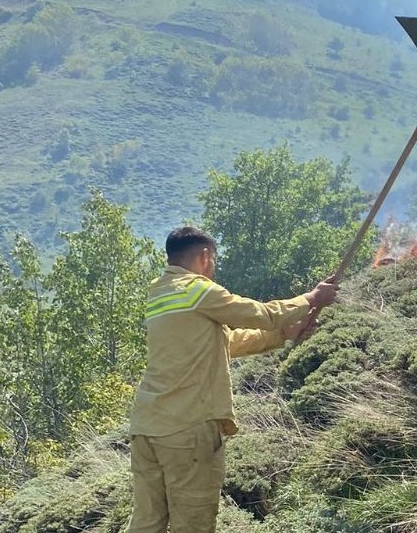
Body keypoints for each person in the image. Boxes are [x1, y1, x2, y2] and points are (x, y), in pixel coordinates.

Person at [127, 226, 337, 533]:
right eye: (214, 259)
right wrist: (312, 298)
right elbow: (261, 313)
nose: (214, 267)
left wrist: (281, 335)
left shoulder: (159, 292)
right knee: (193, 525)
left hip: (147, 428)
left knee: (147, 523)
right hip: (187, 429)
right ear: (204, 256)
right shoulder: (197, 289)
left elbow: (224, 342)